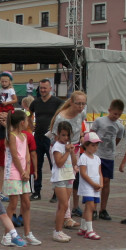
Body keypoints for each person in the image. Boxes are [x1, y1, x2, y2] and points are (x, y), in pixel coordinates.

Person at [47, 90, 89, 222]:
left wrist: (81, 137)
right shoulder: (61, 117)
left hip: (73, 148)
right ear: (71, 102)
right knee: (63, 179)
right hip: (60, 148)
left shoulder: (81, 113)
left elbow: (81, 128)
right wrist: (61, 152)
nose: (81, 107)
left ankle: (66, 214)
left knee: (71, 179)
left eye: (83, 104)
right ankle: (65, 215)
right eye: (78, 104)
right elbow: (54, 138)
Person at [4, 110, 41, 245]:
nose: (28, 123)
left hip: (23, 173)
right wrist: (22, 171)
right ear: (22, 122)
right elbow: (14, 156)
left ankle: (28, 233)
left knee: (26, 203)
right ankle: (7, 235)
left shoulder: (24, 136)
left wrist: (27, 170)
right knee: (13, 204)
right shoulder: (11, 136)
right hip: (13, 173)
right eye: (26, 120)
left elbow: (26, 156)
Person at [90, 99, 125, 221]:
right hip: (97, 155)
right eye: (114, 113)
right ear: (109, 110)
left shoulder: (119, 126)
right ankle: (92, 208)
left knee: (106, 181)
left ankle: (103, 209)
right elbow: (91, 135)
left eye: (119, 114)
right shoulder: (99, 121)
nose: (116, 116)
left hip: (109, 156)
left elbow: (117, 139)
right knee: (95, 181)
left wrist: (111, 149)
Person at [29, 78, 62, 200]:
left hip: (51, 139)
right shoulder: (36, 102)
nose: (43, 90)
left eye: (45, 88)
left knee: (54, 165)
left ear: (50, 89)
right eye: (41, 88)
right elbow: (29, 113)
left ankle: (56, 193)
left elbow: (64, 115)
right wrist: (30, 124)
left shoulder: (57, 102)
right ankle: (36, 192)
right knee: (37, 165)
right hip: (37, 137)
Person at [49, 121, 77, 242]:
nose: (66, 138)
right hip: (59, 178)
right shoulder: (56, 147)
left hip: (69, 176)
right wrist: (66, 151)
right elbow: (59, 163)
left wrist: (71, 151)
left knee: (63, 205)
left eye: (67, 135)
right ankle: (57, 231)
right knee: (64, 205)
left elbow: (74, 162)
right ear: (58, 135)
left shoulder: (68, 145)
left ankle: (59, 230)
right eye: (63, 135)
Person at [76, 131, 103, 240]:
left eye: (96, 145)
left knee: (91, 207)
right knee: (90, 207)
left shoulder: (97, 159)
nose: (95, 148)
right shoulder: (83, 158)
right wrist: (93, 184)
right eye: (92, 145)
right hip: (87, 186)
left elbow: (100, 173)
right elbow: (83, 173)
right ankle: (89, 230)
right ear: (86, 145)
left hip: (95, 186)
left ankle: (83, 227)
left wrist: (101, 184)